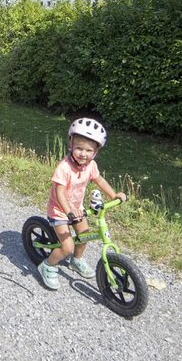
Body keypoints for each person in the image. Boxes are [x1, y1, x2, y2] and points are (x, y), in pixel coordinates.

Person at [37, 118, 127, 290]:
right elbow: (59, 192)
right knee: (67, 247)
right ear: (70, 144)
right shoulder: (64, 168)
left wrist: (114, 195)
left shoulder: (91, 165)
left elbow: (99, 180)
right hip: (60, 211)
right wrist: (69, 211)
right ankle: (47, 265)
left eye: (89, 150)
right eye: (79, 148)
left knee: (84, 235)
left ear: (95, 152)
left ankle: (76, 260)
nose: (83, 154)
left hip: (77, 209)